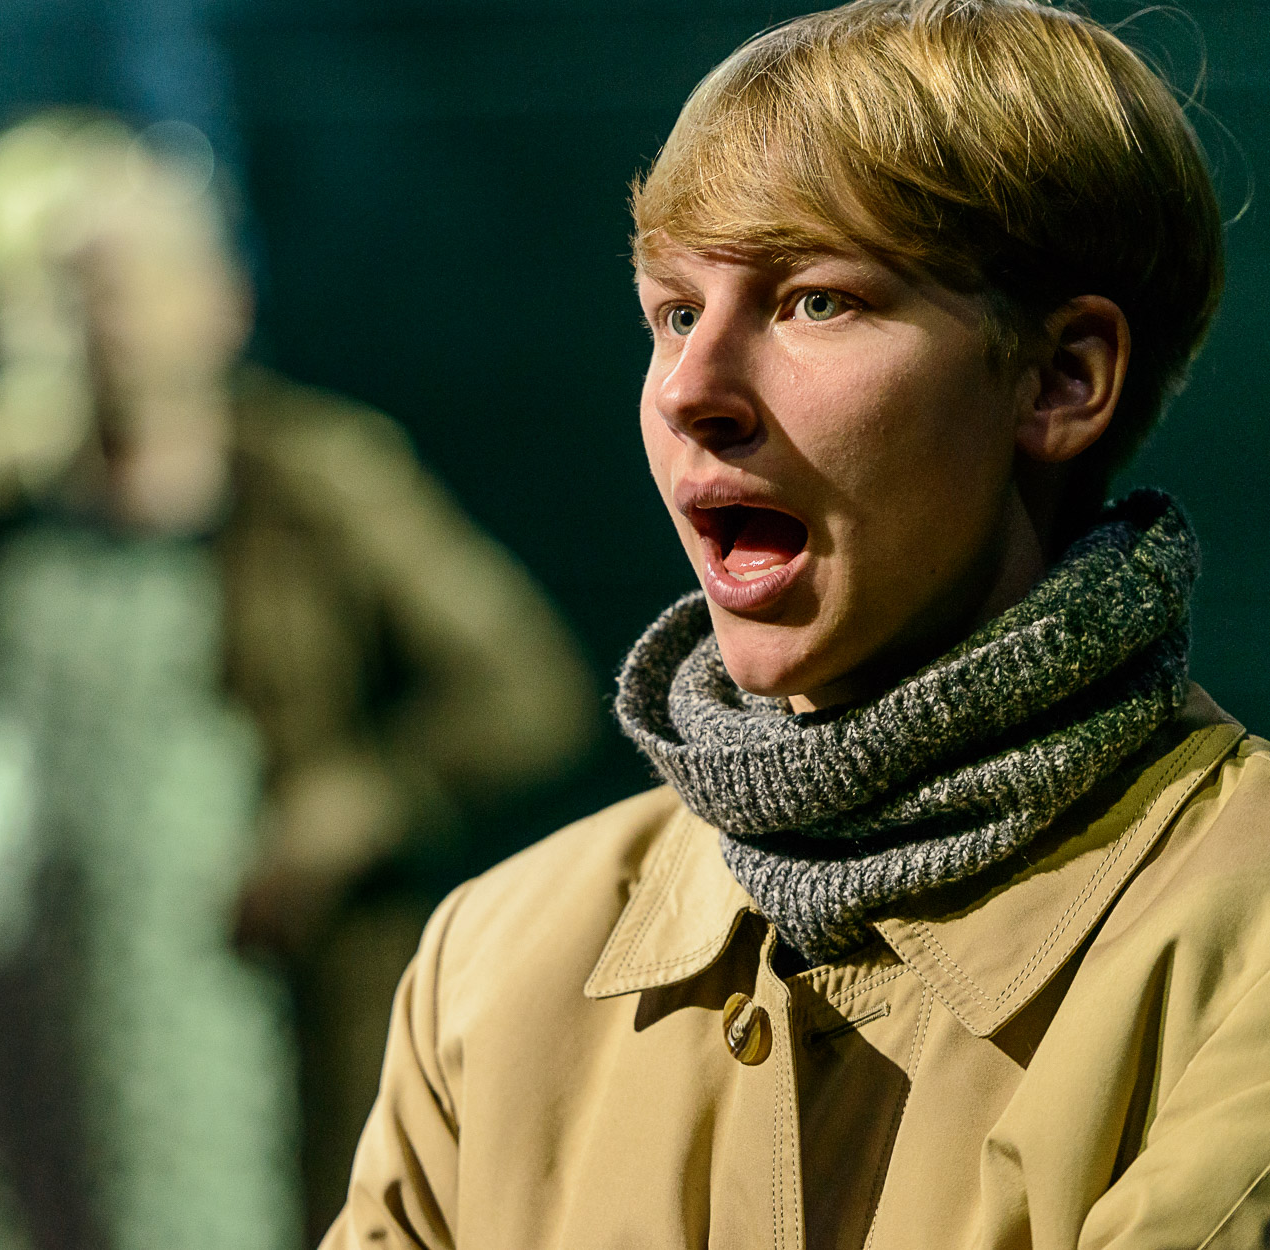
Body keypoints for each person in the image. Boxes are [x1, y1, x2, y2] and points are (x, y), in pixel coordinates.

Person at [322, 2, 1270, 1247]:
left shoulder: (1245, 932)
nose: (690, 390)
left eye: (814, 300)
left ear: (1061, 378)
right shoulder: (487, 964)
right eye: (673, 311)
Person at [0, 112, 596, 1250]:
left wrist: (355, 806)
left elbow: (521, 688)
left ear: (216, 302)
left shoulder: (314, 482)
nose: (99, 328)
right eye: (66, 294)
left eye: (128, 288)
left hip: (220, 1009)